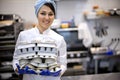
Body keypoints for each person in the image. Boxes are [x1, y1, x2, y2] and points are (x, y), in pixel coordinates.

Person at [12, 0, 67, 80]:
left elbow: (63, 64)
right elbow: (16, 59)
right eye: (43, 13)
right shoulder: (24, 36)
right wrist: (19, 69)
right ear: (37, 14)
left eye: (50, 14)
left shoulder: (59, 39)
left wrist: (57, 72)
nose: (47, 18)